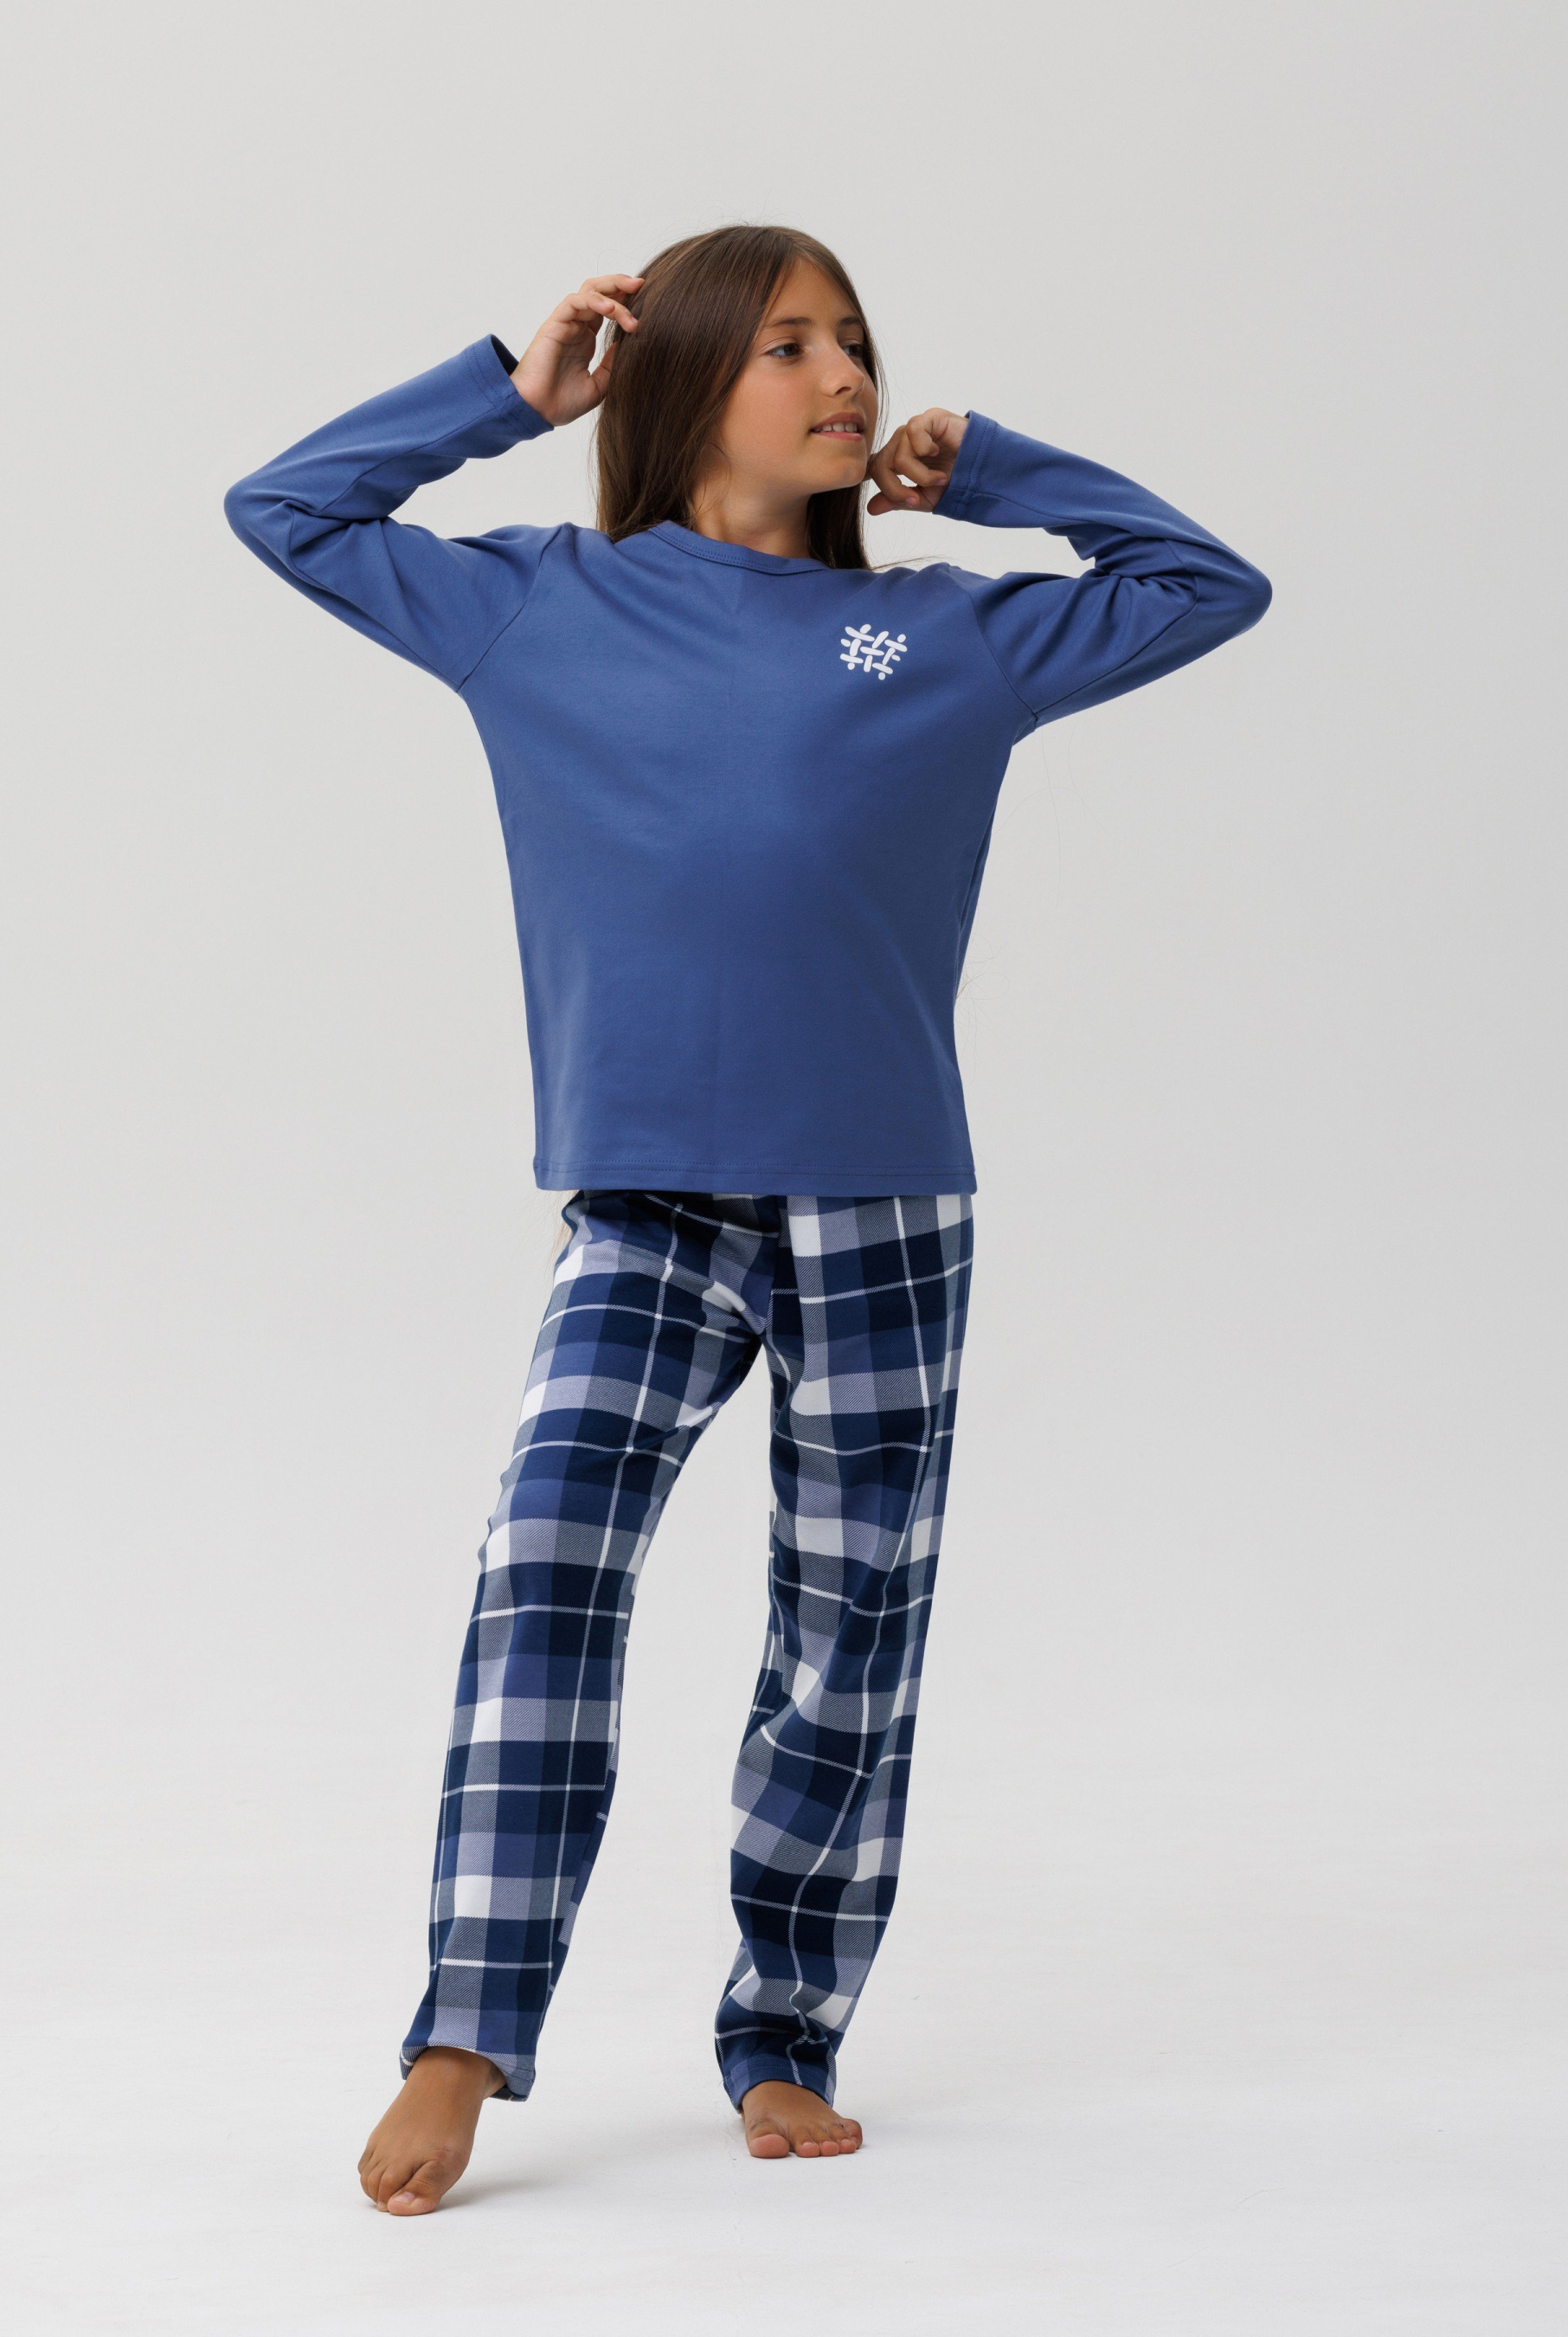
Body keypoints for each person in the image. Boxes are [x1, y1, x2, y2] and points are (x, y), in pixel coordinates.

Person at [222, 222, 1271, 2216]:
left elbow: (1204, 587)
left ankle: (783, 2029)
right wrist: (503, 397)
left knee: (842, 1631)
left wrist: (1001, 472)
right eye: (788, 342)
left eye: (852, 338)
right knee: (547, 1559)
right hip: (644, 1195)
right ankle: (463, 2032)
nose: (842, 371)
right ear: (685, 375)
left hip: (881, 1200)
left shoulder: (943, 637)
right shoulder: (538, 606)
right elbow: (287, 511)